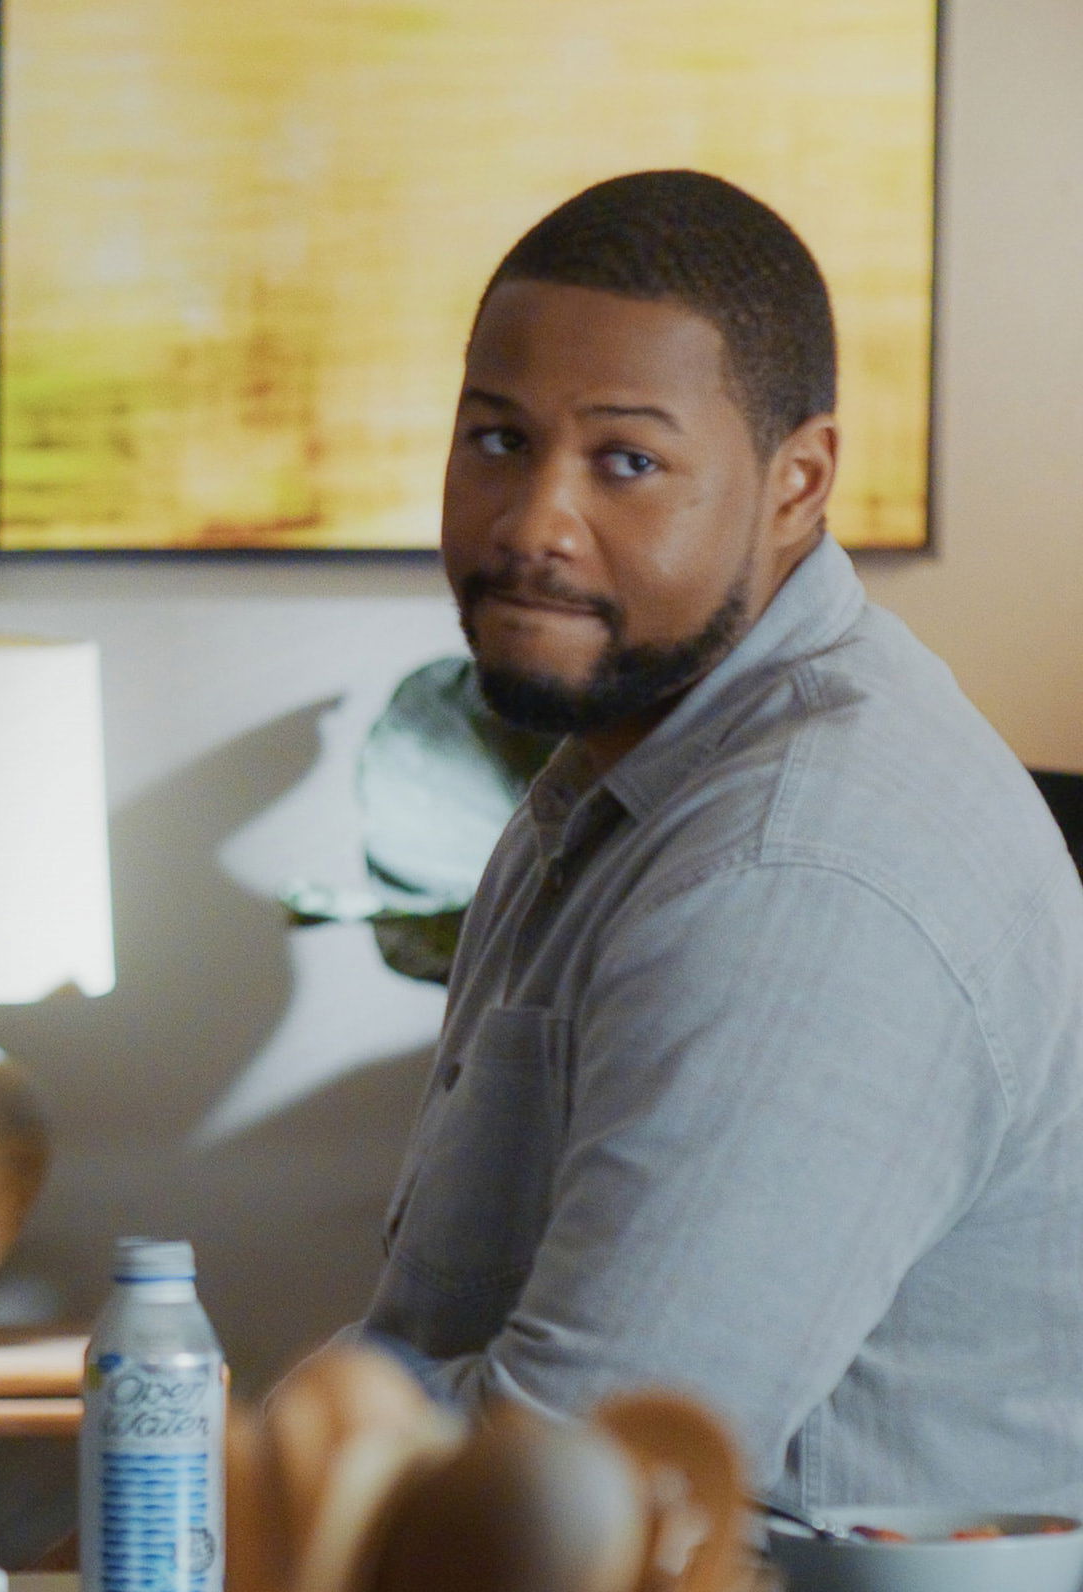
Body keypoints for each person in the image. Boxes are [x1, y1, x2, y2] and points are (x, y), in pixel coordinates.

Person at [363, 168, 1083, 1513]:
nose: (533, 526)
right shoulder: (628, 772)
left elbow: (583, 1492)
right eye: (499, 440)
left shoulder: (804, 869)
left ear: (797, 484)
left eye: (627, 463)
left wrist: (240, 1467)